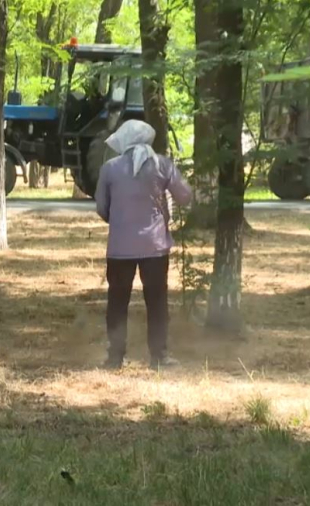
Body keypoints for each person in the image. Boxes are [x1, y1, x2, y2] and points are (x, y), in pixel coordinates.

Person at [94, 120, 192, 370]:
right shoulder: (162, 165)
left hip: (119, 247)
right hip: (155, 246)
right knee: (157, 302)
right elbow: (185, 196)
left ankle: (115, 358)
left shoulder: (110, 168)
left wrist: (119, 221)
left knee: (117, 301)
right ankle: (159, 357)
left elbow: (102, 207)